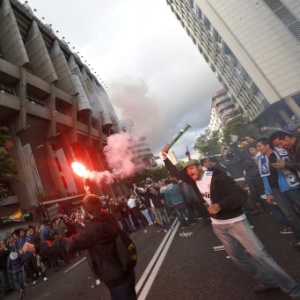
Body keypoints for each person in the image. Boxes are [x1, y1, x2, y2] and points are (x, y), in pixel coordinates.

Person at [161, 145, 300, 298]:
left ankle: (291, 288)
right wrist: (165, 157)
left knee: (259, 254)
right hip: (218, 226)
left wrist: (221, 205)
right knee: (238, 258)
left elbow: (240, 194)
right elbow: (174, 172)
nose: (189, 172)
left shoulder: (219, 177)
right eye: (186, 171)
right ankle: (267, 281)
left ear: (199, 167)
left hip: (236, 222)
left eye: (191, 168)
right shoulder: (191, 180)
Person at [56, 194, 137, 300]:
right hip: (126, 270)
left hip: (116, 278)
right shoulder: (108, 215)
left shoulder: (94, 229)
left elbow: (71, 243)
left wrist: (36, 247)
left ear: (87, 210)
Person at [256, 138, 300, 247]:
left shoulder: (282, 152)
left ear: (267, 146)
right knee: (289, 215)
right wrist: (268, 193)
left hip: (291, 185)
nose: (258, 148)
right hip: (276, 190)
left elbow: (293, 166)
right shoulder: (260, 159)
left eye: (259, 146)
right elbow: (264, 177)